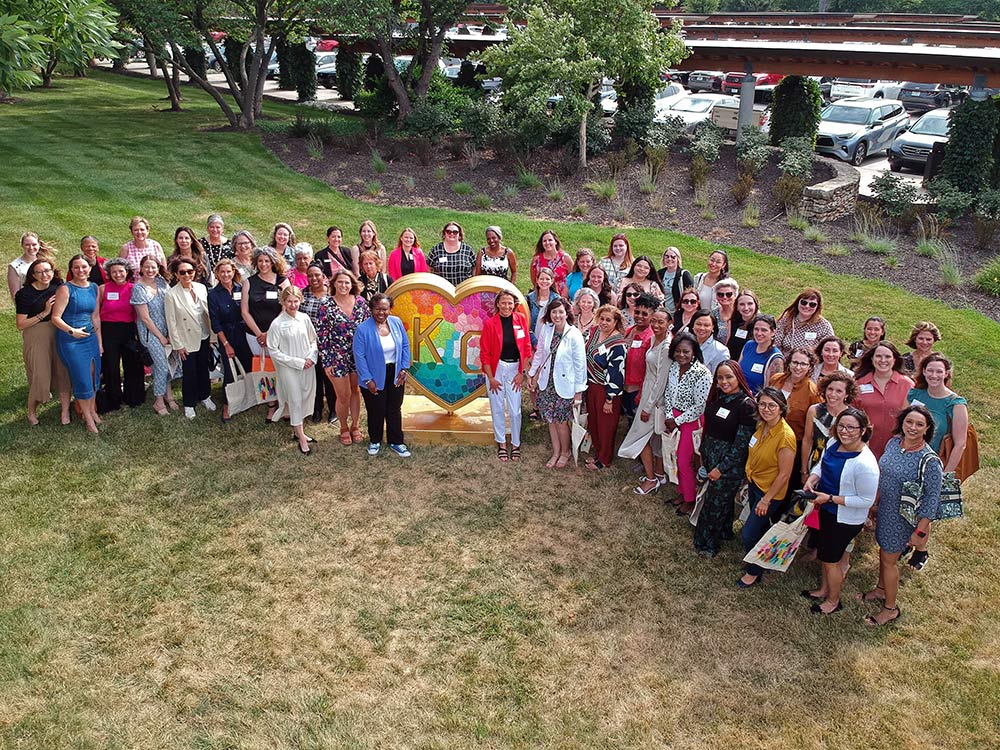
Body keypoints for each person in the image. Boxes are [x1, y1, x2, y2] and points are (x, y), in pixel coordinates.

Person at [861, 405, 942, 626]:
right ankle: (880, 589)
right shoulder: (893, 443)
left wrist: (919, 532)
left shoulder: (930, 461)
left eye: (919, 424)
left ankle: (890, 609)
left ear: (927, 429)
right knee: (884, 553)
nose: (912, 428)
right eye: (909, 422)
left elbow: (932, 500)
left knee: (889, 561)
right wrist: (875, 503)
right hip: (885, 510)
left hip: (904, 519)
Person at [801, 408, 879, 615]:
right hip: (826, 509)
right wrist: (813, 477)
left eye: (851, 428)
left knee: (831, 560)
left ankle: (833, 601)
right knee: (826, 555)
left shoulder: (865, 464)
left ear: (863, 430)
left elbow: (866, 500)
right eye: (841, 426)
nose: (845, 431)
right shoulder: (834, 443)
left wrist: (831, 498)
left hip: (844, 519)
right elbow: (822, 464)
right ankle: (824, 589)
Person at [906, 353, 968, 571]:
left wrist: (945, 475)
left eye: (938, 371)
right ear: (923, 371)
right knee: (907, 503)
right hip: (909, 459)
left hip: (933, 466)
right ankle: (908, 539)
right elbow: (904, 424)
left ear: (946, 373)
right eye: (930, 370)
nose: (934, 375)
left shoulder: (955, 403)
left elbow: (960, 443)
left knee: (925, 510)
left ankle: (921, 550)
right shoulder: (915, 393)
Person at [693, 361, 757, 557]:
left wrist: (721, 468)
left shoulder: (746, 405)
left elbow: (740, 445)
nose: (724, 381)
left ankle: (706, 544)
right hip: (711, 458)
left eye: (728, 377)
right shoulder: (719, 396)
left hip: (727, 466)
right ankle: (724, 531)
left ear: (738, 377)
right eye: (720, 377)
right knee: (723, 501)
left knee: (714, 504)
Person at [738, 387, 797, 588]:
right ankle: (765, 560)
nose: (766, 409)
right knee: (762, 528)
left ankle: (754, 571)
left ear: (781, 408)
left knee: (748, 532)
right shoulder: (762, 425)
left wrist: (766, 499)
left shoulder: (785, 436)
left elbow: (784, 474)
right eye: (762, 404)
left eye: (772, 405)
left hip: (769, 493)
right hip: (756, 484)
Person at [618, 307, 673, 493]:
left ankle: (651, 480)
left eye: (661, 322)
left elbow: (660, 380)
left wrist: (647, 407)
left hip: (655, 399)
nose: (656, 325)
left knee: (640, 438)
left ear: (669, 324)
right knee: (654, 438)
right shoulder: (652, 340)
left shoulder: (666, 347)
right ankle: (658, 473)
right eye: (654, 321)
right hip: (647, 392)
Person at [528, 298, 588, 469]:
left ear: (567, 313)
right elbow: (540, 353)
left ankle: (565, 452)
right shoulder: (547, 330)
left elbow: (580, 365)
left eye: (560, 311)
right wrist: (532, 374)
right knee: (550, 420)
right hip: (547, 383)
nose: (557, 315)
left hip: (565, 386)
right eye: (554, 312)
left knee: (561, 422)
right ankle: (556, 452)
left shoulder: (574, 334)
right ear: (549, 314)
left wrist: (578, 392)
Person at [353, 293, 412, 457]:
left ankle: (396, 441)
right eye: (378, 309)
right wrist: (367, 379)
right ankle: (375, 440)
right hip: (372, 375)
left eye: (385, 309)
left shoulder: (396, 322)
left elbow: (405, 346)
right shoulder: (362, 329)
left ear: (389, 309)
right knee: (376, 409)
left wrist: (404, 368)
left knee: (394, 408)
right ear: (371, 309)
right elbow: (359, 356)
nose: (381, 312)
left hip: (396, 373)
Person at [14, 258, 71, 425]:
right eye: (40, 272)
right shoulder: (24, 294)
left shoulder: (59, 287)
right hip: (36, 334)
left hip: (58, 332)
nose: (45, 274)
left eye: (48, 270)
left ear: (53, 272)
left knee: (63, 372)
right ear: (33, 275)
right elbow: (21, 324)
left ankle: (65, 413)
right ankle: (31, 411)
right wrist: (45, 312)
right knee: (40, 374)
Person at [317, 270, 370, 445]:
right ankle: (343, 427)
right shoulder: (326, 306)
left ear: (352, 284)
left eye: (347, 282)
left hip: (358, 355)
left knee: (355, 391)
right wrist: (327, 361)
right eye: (340, 282)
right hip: (336, 356)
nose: (343, 286)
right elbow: (322, 336)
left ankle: (355, 426)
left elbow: (369, 329)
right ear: (334, 284)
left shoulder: (361, 303)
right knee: (343, 395)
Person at [662, 331, 713, 513]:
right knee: (674, 457)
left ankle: (690, 499)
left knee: (684, 461)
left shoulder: (702, 373)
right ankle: (682, 491)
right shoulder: (674, 367)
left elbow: (701, 406)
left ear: (694, 352)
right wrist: (669, 416)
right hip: (673, 417)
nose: (681, 355)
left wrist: (677, 420)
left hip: (691, 421)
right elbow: (668, 393)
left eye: (686, 352)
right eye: (677, 351)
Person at [51, 255, 103, 434]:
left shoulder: (94, 288)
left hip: (90, 338)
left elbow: (95, 316)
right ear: (71, 270)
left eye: (84, 267)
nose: (81, 271)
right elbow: (55, 317)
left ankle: (92, 411)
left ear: (89, 269)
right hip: (71, 340)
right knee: (82, 378)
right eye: (76, 268)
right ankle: (88, 419)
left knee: (94, 375)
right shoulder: (66, 289)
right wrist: (72, 331)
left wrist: (100, 342)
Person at [480, 290, 532, 462]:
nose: (507, 306)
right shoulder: (490, 324)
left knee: (515, 410)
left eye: (510, 303)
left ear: (514, 304)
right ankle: (501, 443)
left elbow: (526, 347)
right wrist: (491, 378)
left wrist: (521, 373)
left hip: (514, 368)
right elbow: (485, 353)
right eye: (503, 303)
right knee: (497, 408)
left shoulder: (520, 320)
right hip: (496, 369)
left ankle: (515, 443)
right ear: (497, 304)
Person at [267, 286, 319, 454]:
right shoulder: (277, 324)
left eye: (296, 301)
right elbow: (274, 351)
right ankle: (302, 437)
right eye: (289, 301)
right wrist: (297, 362)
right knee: (295, 399)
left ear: (300, 301)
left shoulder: (304, 318)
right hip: (288, 368)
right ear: (283, 302)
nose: (293, 305)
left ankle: (298, 430)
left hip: (307, 366)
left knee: (304, 397)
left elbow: (313, 340)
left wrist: (311, 357)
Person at [164, 257, 215, 419]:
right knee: (190, 372)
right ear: (176, 274)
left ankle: (205, 396)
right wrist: (178, 345)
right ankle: (189, 403)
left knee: (203, 368)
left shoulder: (201, 288)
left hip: (204, 335)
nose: (187, 275)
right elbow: (171, 322)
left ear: (195, 272)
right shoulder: (171, 295)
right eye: (182, 272)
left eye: (190, 271)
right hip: (186, 339)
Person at [768, 347, 821, 493]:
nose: (798, 367)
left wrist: (804, 468)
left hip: (792, 444)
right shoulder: (776, 379)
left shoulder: (813, 392)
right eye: (795, 362)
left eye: (803, 364)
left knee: (784, 485)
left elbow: (811, 432)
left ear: (810, 367)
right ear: (789, 363)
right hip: (768, 437)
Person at [208, 259, 254, 423]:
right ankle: (228, 404)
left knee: (247, 366)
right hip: (227, 335)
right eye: (222, 272)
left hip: (244, 334)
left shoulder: (241, 289)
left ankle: (247, 397)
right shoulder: (213, 295)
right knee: (229, 370)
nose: (226, 275)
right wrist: (226, 344)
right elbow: (215, 323)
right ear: (217, 274)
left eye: (229, 271)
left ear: (234, 272)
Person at [131, 255, 178, 415]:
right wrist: (160, 336)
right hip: (151, 334)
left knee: (169, 363)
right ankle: (158, 401)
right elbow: (144, 318)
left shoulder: (161, 283)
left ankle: (168, 394)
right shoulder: (138, 288)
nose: (150, 270)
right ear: (141, 268)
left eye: (154, 267)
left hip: (167, 330)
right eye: (147, 267)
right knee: (161, 367)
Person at [98, 258, 145, 412]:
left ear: (127, 272)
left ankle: (133, 397)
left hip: (129, 329)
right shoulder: (103, 289)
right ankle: (113, 399)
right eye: (114, 272)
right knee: (111, 366)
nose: (118, 274)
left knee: (132, 364)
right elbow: (96, 313)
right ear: (109, 274)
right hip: (109, 331)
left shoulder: (134, 288)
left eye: (121, 271)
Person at [584, 305, 628, 470]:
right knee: (594, 421)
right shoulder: (594, 332)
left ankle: (604, 459)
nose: (604, 322)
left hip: (607, 390)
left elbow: (616, 373)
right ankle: (597, 452)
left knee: (606, 425)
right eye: (602, 318)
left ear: (616, 322)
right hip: (591, 386)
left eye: (608, 320)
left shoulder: (618, 343)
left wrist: (610, 398)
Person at [853, 342, 914, 459]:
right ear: (872, 359)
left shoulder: (907, 384)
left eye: (887, 356)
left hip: (897, 447)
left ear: (894, 360)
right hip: (864, 446)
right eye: (878, 356)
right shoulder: (858, 383)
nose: (883, 360)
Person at [802, 372, 858, 480]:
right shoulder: (814, 410)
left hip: (840, 469)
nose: (833, 394)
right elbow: (807, 440)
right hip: (815, 464)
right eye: (830, 389)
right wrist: (804, 471)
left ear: (847, 394)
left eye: (839, 391)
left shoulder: (853, 417)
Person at [300, 263, 336, 425]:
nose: (313, 278)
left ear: (324, 277)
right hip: (308, 344)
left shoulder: (332, 294)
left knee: (329, 377)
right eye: (310, 275)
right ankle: (317, 408)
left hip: (329, 344)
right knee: (313, 378)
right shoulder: (302, 294)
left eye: (317, 275)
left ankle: (333, 408)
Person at [620, 294, 657, 422]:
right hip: (623, 387)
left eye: (644, 314)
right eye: (637, 312)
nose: (639, 316)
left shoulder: (651, 337)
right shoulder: (628, 330)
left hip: (639, 392)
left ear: (652, 316)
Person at [774, 288, 835, 358]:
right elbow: (776, 344)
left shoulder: (824, 326)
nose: (807, 306)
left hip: (812, 364)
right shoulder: (785, 320)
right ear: (798, 303)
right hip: (785, 361)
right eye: (804, 302)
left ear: (817, 307)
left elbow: (829, 348)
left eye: (812, 304)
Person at [738, 314, 784, 394]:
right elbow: (737, 370)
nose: (759, 333)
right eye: (756, 329)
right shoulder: (749, 345)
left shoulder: (776, 359)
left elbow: (771, 391)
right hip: (738, 394)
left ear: (773, 332)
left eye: (764, 330)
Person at [427, 221, 476, 285]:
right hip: (442, 289)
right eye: (448, 231)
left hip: (464, 289)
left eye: (455, 232)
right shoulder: (436, 250)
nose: (452, 234)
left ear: (459, 234)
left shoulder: (467, 249)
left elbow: (475, 267)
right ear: (444, 234)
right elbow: (428, 267)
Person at [9, 231, 55, 300]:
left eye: (34, 244)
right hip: (29, 304)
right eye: (27, 245)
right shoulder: (14, 266)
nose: (31, 248)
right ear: (22, 246)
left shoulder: (46, 262)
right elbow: (15, 295)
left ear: (39, 244)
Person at [530, 229, 573, 298]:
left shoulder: (565, 258)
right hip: (542, 297)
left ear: (555, 242)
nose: (547, 243)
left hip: (562, 297)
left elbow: (572, 278)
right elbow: (534, 280)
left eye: (550, 240)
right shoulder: (536, 259)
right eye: (544, 241)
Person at [526, 266, 560, 347]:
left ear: (552, 281)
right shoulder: (529, 299)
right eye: (541, 279)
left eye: (547, 279)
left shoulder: (557, 300)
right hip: (532, 340)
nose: (544, 281)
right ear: (537, 280)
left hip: (550, 340)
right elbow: (525, 323)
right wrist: (534, 342)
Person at [657, 246, 694, 315]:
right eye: (667, 256)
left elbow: (691, 293)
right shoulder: (660, 273)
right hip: (661, 312)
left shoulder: (684, 275)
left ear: (678, 259)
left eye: (673, 257)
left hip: (677, 313)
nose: (669, 259)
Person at [691, 309, 730, 375]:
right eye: (698, 324)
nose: (702, 328)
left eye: (706, 325)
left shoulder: (721, 350)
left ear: (713, 328)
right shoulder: (686, 343)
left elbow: (718, 378)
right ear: (693, 325)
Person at [726, 288, 759, 361]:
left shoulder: (760, 324)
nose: (746, 308)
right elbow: (728, 344)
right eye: (742, 304)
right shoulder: (732, 322)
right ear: (737, 307)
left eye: (750, 304)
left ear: (755, 305)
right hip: (732, 363)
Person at [710, 278, 739, 347]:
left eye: (728, 294)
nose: (724, 297)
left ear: (735, 295)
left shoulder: (742, 313)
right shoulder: (714, 314)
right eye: (720, 294)